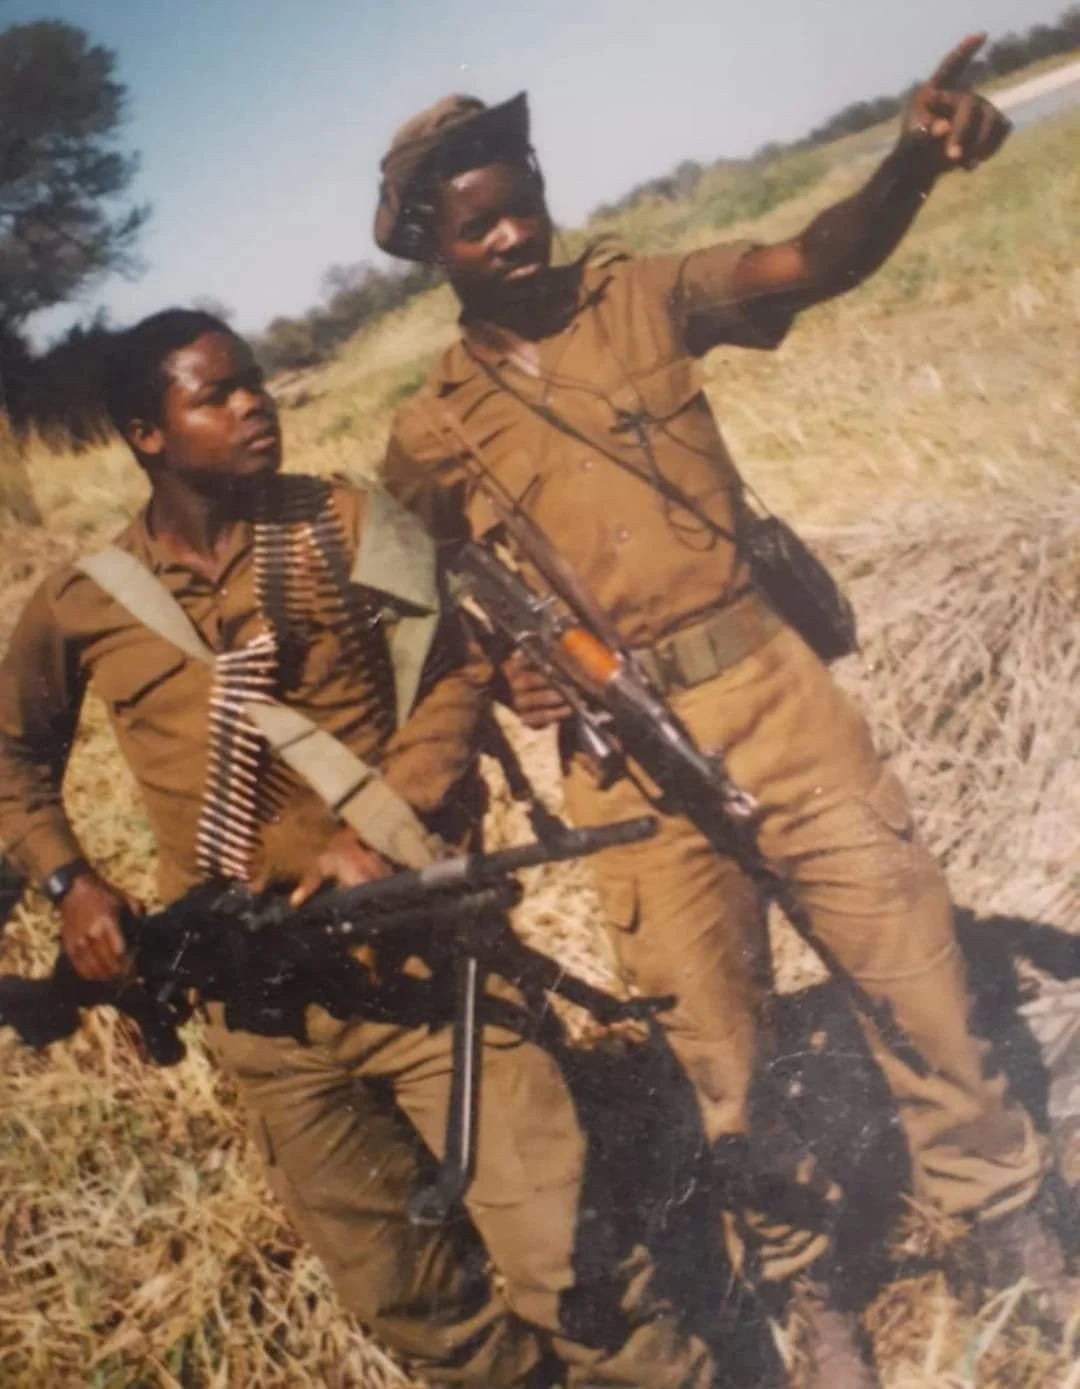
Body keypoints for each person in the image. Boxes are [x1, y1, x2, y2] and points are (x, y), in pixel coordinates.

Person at [374, 35, 1077, 1387]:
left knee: (919, 977)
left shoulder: (642, 295)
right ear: (429, 246)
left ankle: (1007, 1224)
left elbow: (808, 261)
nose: (514, 234)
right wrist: (512, 674)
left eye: (522, 199)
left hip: (773, 693)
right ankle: (809, 1294)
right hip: (626, 761)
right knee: (722, 1057)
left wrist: (910, 163)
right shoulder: (430, 436)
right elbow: (427, 614)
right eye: (476, 225)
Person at [0, 309, 724, 1388]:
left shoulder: (342, 522)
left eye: (255, 381)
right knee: (415, 1306)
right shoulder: (84, 601)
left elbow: (457, 670)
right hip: (261, 1014)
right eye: (216, 395)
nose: (255, 404)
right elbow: (13, 754)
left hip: (421, 966)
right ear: (147, 435)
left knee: (576, 1275)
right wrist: (70, 882)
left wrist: (378, 824)